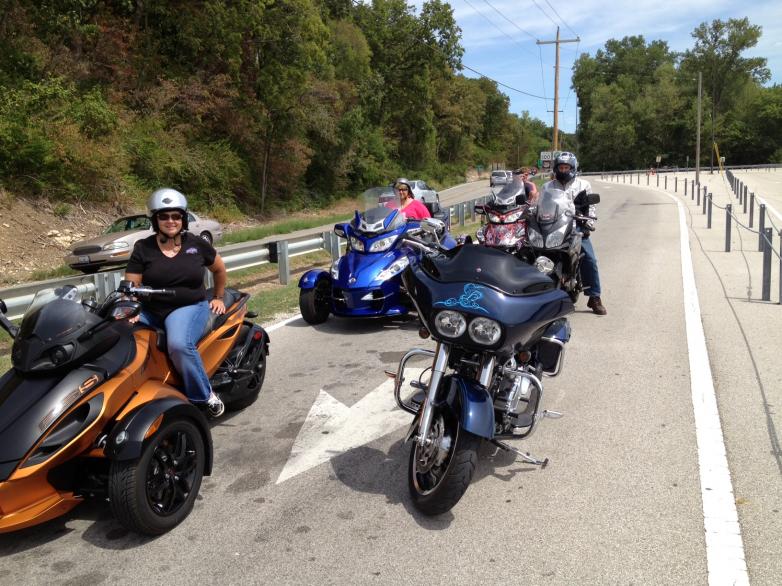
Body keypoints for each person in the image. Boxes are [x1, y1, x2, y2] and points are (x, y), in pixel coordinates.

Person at [125, 188, 229, 417]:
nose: (170, 221)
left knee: (179, 345)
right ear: (155, 220)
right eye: (164, 216)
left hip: (187, 306)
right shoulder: (143, 248)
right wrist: (130, 308)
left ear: (183, 219)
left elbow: (219, 270)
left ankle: (204, 395)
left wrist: (218, 297)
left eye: (176, 216)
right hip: (151, 309)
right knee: (116, 330)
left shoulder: (196, 244)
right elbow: (131, 286)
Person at [544, 152, 607, 315]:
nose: (563, 170)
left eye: (566, 167)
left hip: (576, 227)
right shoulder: (548, 186)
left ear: (573, 168)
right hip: (553, 228)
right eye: (561, 167)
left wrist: (588, 224)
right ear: (556, 168)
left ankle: (594, 297)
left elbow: (591, 207)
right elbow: (540, 205)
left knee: (589, 259)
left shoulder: (583, 185)